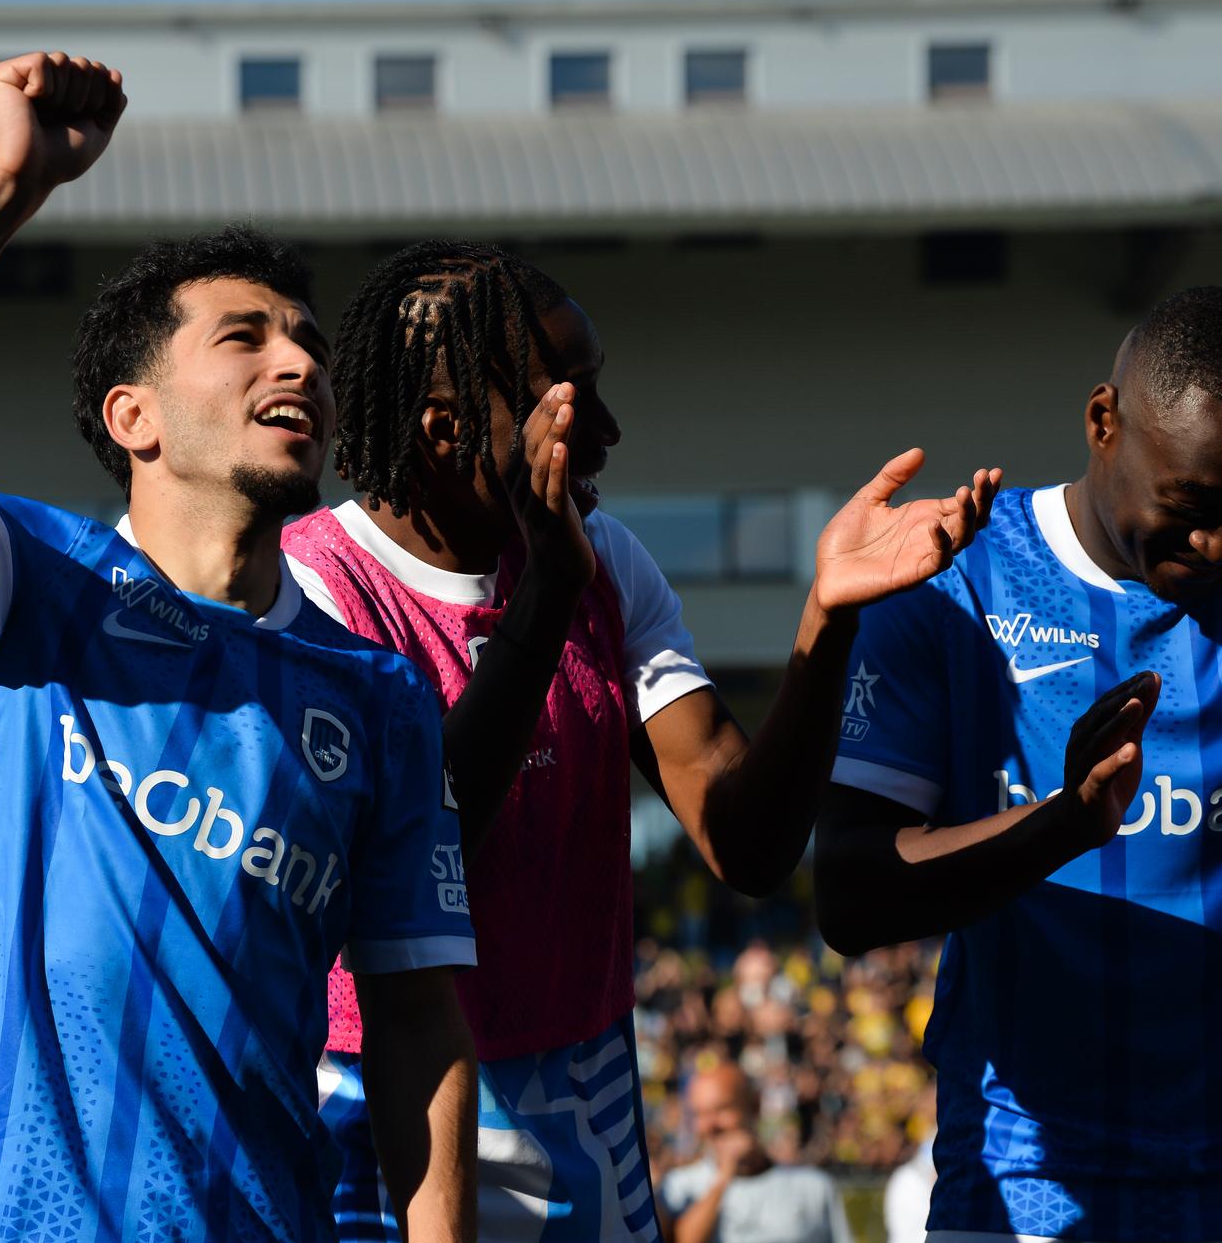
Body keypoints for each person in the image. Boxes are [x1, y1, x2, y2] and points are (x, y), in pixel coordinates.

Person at [0, 52, 479, 1241]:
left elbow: (420, 1025)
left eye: (308, 342)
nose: (301, 364)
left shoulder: (375, 698)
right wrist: (2, 192)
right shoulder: (32, 584)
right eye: (245, 337)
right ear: (135, 417)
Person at [283, 241, 1000, 1240]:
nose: (609, 431)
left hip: (581, 1087)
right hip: (377, 1094)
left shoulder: (604, 562)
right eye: (567, 404)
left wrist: (825, 621)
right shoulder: (314, 590)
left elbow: (745, 844)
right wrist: (543, 601)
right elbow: (411, 858)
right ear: (447, 430)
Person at [813, 295, 1222, 1242]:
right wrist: (1063, 825)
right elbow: (850, 894)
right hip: (1027, 1186)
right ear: (1102, 422)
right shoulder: (956, 586)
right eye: (1192, 507)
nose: (1214, 545)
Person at [655, 1063, 851, 1243]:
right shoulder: (677, 1187)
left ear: (754, 1106)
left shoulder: (814, 1186)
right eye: (700, 1114)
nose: (710, 1125)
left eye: (722, 1109)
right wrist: (724, 1177)